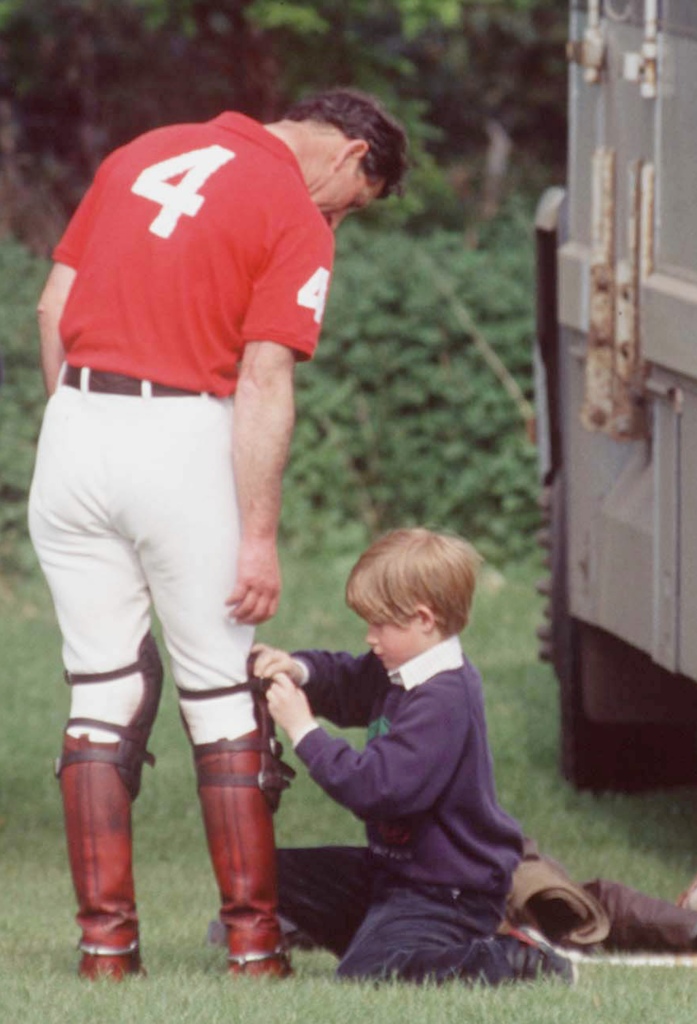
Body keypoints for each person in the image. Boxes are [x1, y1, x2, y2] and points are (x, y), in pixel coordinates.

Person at [28, 89, 408, 981]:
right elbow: (266, 379)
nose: (336, 222)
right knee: (220, 696)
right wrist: (260, 537)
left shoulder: (142, 148)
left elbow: (53, 308)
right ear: (353, 155)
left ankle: (106, 951)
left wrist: (84, 428)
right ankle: (251, 947)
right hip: (183, 434)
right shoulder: (291, 210)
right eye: (351, 205)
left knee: (101, 694)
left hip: (75, 427)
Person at [249, 527, 576, 985]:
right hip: (395, 877)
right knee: (261, 869)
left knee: (366, 973)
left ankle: (513, 961)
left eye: (380, 624)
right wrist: (297, 669)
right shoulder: (399, 669)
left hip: (448, 893)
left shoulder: (444, 698)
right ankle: (368, 938)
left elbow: (375, 788)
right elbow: (345, 680)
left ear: (424, 619)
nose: (369, 638)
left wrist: (303, 729)